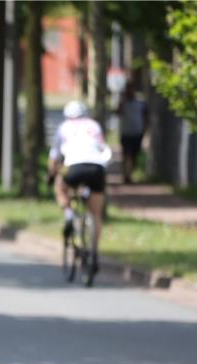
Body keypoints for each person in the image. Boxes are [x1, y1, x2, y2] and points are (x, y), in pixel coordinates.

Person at [47, 100, 113, 275]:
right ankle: (94, 252)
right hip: (97, 167)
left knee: (61, 187)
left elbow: (54, 156)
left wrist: (52, 175)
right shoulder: (94, 125)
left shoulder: (64, 127)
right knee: (96, 213)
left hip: (74, 167)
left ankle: (69, 215)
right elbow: (103, 148)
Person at [117, 81, 147, 184]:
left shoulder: (140, 102)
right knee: (126, 155)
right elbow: (118, 112)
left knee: (134, 155)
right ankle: (125, 175)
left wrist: (145, 129)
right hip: (126, 132)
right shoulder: (123, 102)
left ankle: (130, 174)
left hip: (137, 132)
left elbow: (145, 115)